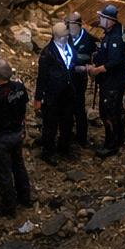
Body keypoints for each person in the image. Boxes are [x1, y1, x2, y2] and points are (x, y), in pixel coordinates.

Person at [0, 59, 34, 216]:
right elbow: (24, 108)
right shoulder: (19, 87)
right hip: (17, 133)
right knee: (19, 166)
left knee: (3, 173)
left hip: (2, 138)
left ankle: (8, 206)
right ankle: (25, 197)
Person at [85, 5, 125, 156]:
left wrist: (97, 70)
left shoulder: (115, 38)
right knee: (117, 108)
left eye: (102, 18)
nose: (100, 20)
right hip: (117, 79)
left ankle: (111, 145)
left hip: (112, 81)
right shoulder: (116, 30)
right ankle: (120, 137)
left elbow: (114, 61)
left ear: (110, 21)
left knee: (108, 112)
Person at [34, 22, 75, 162]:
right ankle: (48, 152)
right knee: (50, 125)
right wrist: (38, 98)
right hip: (52, 95)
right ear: (56, 37)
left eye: (67, 36)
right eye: (63, 36)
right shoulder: (48, 54)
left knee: (67, 122)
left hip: (67, 93)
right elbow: (42, 78)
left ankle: (64, 148)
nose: (66, 38)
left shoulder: (69, 47)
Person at [64, 11, 95, 148]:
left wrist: (79, 66)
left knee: (79, 107)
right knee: (66, 106)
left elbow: (89, 58)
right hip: (66, 78)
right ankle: (67, 134)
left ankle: (82, 137)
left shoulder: (87, 40)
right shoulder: (65, 37)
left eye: (69, 24)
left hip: (79, 78)